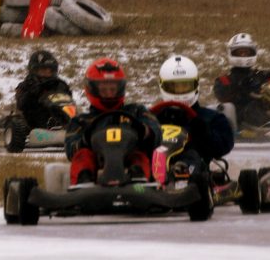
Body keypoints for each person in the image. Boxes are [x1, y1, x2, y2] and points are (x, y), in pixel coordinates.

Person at [65, 58, 160, 186]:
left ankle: (139, 181)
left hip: (131, 172)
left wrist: (143, 130)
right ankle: (84, 183)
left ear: (120, 88)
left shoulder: (136, 112)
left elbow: (157, 134)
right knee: (83, 155)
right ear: (91, 89)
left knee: (138, 154)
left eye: (112, 89)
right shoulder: (81, 121)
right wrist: (85, 140)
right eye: (104, 90)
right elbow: (71, 150)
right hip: (96, 169)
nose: (109, 95)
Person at [152, 54, 234, 176]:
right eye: (173, 86)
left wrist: (204, 132)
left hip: (196, 174)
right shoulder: (153, 118)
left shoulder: (211, 118)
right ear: (162, 86)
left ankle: (182, 173)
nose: (179, 92)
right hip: (155, 165)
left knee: (191, 154)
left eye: (185, 86)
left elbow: (224, 146)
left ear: (195, 85)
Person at [212, 33, 270, 130]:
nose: (243, 55)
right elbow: (221, 94)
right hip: (241, 118)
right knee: (251, 108)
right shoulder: (225, 79)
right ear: (231, 53)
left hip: (264, 111)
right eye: (240, 53)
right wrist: (240, 85)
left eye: (246, 52)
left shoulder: (261, 75)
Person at [14, 49, 74, 129]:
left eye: (49, 71)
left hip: (59, 118)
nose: (47, 73)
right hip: (33, 122)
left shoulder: (60, 85)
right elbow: (21, 105)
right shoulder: (26, 85)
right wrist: (33, 93)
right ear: (34, 70)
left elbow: (69, 101)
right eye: (43, 70)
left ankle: (68, 126)